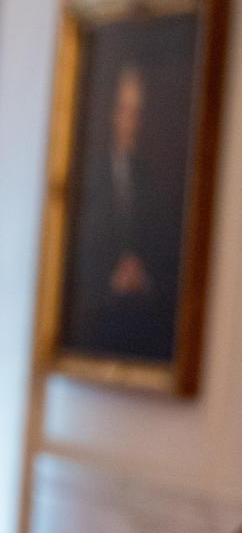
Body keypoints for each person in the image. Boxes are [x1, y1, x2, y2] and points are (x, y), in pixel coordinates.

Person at [63, 64, 182, 361]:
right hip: (95, 323)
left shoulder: (147, 179)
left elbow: (160, 248)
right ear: (111, 113)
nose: (132, 123)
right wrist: (110, 279)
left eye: (137, 113)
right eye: (125, 111)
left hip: (138, 321)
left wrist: (143, 276)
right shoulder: (88, 174)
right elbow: (73, 257)